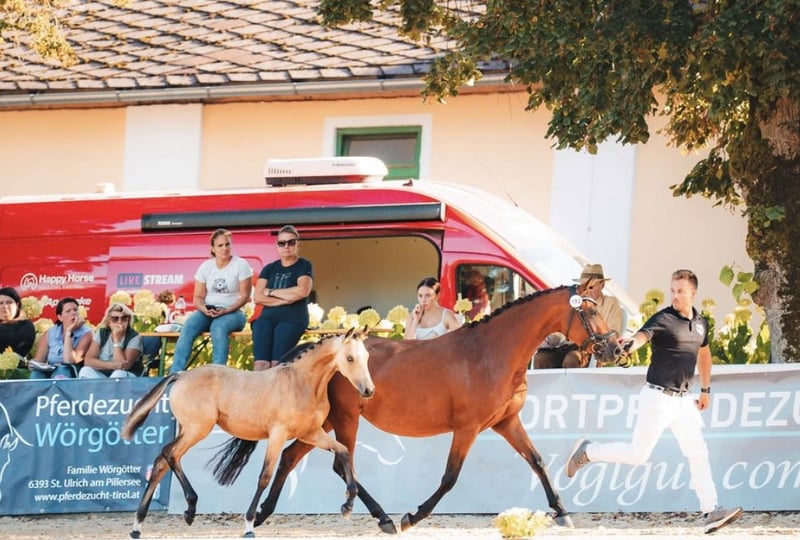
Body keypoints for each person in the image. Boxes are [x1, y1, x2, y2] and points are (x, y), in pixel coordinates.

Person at [565, 269, 742, 534]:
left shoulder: (701, 323)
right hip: (657, 398)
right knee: (638, 455)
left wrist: (705, 389)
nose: (675, 295)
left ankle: (711, 511)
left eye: (680, 291)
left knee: (698, 453)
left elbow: (704, 354)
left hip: (684, 401)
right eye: (672, 290)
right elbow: (642, 336)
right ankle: (588, 452)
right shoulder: (664, 318)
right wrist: (629, 344)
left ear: (693, 293)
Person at [169, 229, 253, 373]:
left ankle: (217, 374)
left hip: (234, 312)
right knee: (189, 325)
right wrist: (204, 309)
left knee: (218, 326)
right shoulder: (206, 267)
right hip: (209, 310)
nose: (225, 248)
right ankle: (175, 373)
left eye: (227, 244)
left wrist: (226, 310)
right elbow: (197, 298)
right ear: (213, 248)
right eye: (220, 245)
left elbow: (245, 296)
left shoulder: (240, 264)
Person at [532, 263, 623, 369]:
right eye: (583, 286)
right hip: (562, 346)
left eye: (591, 287)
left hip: (588, 349)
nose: (586, 291)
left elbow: (614, 333)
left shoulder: (610, 302)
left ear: (602, 285)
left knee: (572, 359)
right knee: (540, 359)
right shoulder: (577, 302)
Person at [252, 225, 313, 370]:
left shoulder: (304, 265)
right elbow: (258, 297)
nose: (286, 246)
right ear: (277, 245)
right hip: (266, 319)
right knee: (261, 363)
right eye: (282, 243)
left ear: (297, 243)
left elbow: (303, 291)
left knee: (277, 364)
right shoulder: (269, 268)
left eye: (291, 242)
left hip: (292, 319)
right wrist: (285, 299)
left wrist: (271, 291)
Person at [29, 297, 93, 379]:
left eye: (75, 310)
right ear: (60, 317)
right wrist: (33, 364)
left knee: (62, 370)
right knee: (36, 373)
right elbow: (39, 360)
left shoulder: (87, 334)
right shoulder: (50, 333)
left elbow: (69, 361)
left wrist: (69, 331)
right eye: (68, 311)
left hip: (72, 372)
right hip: (51, 370)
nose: (73, 313)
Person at [79, 303, 144, 378]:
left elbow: (123, 367)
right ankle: (106, 386)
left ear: (128, 320)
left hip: (127, 377)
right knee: (85, 370)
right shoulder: (101, 333)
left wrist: (116, 340)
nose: (120, 322)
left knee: (118, 374)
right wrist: (112, 365)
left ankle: (106, 386)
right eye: (115, 319)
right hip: (103, 375)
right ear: (108, 321)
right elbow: (88, 361)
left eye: (124, 318)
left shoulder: (134, 337)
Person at [0, 286, 35, 361]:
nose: (4, 306)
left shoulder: (25, 326)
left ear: (17, 305)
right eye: (0, 303)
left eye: (9, 302)